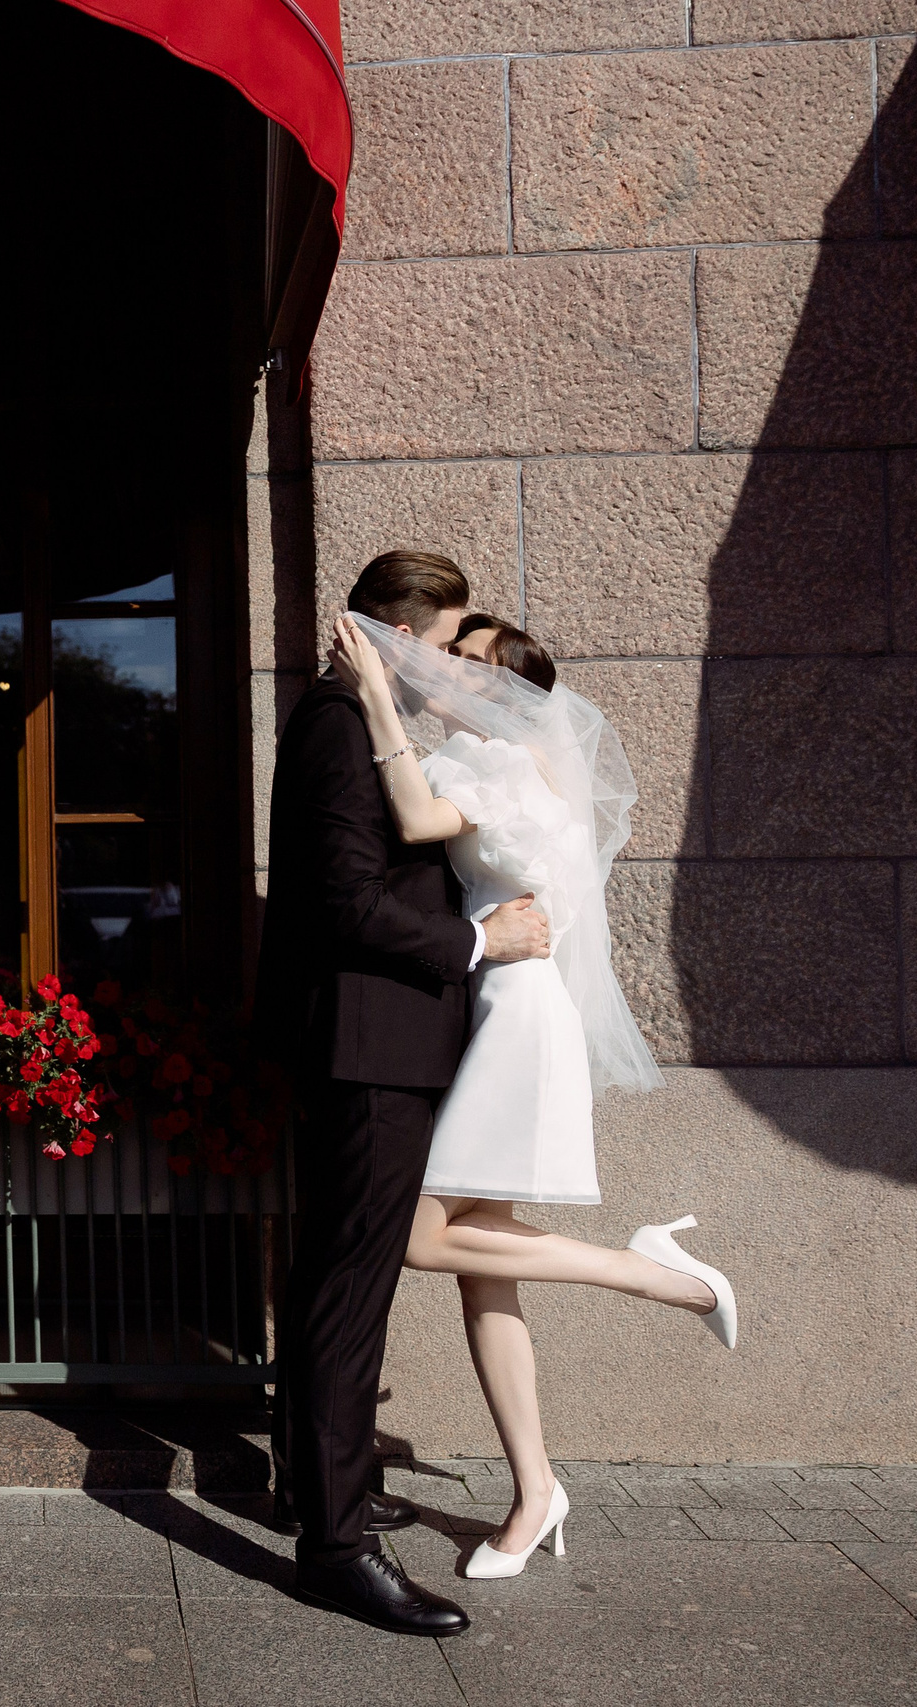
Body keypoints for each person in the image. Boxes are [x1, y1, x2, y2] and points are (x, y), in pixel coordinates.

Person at [326, 606, 740, 1581]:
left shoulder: (498, 764)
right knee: (485, 1268)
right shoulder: (496, 761)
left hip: (516, 1015)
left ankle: (656, 1274)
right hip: (500, 1007)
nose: (454, 673)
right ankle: (535, 1488)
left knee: (423, 1235)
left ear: (510, 690)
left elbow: (422, 821)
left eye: (473, 664)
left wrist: (378, 696)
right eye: (451, 658)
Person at [253, 550, 552, 1638]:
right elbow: (342, 904)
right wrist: (478, 938)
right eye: (439, 645)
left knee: (345, 1281)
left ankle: (318, 1485)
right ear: (390, 635)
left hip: (375, 1049)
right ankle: (335, 1549)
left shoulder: (357, 715)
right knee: (345, 1290)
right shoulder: (338, 724)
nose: (447, 668)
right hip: (367, 1051)